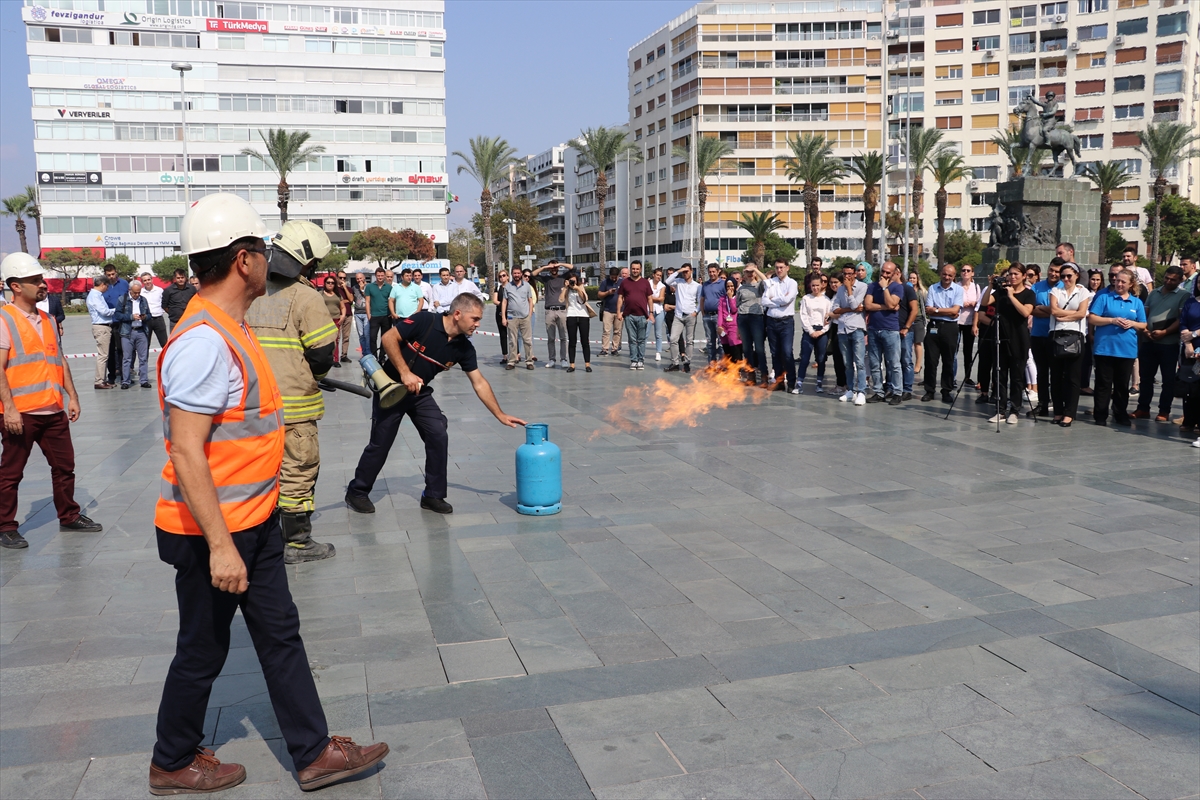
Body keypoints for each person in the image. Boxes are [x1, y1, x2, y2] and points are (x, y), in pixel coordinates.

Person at [150, 194, 387, 795]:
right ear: (243, 260)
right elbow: (185, 451)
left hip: (254, 521)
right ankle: (172, 759)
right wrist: (222, 547)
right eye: (261, 249)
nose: (268, 259)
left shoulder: (233, 326)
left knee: (280, 634)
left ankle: (312, 752)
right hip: (214, 533)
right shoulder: (204, 339)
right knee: (203, 650)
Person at [346, 295, 526, 516]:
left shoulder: (464, 348)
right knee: (381, 443)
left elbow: (479, 382)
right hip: (391, 389)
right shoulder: (425, 321)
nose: (477, 324)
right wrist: (405, 373)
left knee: (438, 434)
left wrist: (499, 414)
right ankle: (357, 491)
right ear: (458, 314)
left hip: (419, 393)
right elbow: (388, 338)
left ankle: (433, 495)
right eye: (475, 318)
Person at [245, 219, 340, 564]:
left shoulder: (250, 293)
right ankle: (298, 543)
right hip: (295, 408)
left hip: (254, 406)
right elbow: (320, 354)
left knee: (263, 472)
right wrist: (314, 373)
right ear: (309, 262)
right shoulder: (306, 297)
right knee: (298, 470)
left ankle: (264, 537)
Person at [0, 253, 103, 550]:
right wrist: (9, 409)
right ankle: (6, 526)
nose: (42, 284)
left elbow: (58, 359)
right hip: (21, 412)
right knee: (11, 472)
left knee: (64, 466)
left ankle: (68, 515)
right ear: (16, 286)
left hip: (52, 408)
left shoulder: (46, 319)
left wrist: (72, 396)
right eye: (35, 281)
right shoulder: (5, 319)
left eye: (40, 279)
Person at [1088, 268, 1147, 427]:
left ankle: (1120, 413)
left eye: (1123, 282)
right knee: (1103, 384)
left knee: (1122, 385)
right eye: (1117, 280)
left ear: (1130, 284)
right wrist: (1111, 321)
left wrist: (1133, 323)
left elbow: (1143, 324)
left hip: (1126, 350)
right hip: (1105, 348)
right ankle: (1100, 414)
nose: (1119, 284)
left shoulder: (1136, 302)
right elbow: (1092, 318)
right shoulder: (1104, 298)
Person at [980, 264, 1035, 423]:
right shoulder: (1001, 292)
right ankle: (1001, 409)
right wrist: (991, 285)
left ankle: (1015, 410)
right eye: (1010, 274)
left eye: (1016, 274)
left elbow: (1026, 312)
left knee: (1017, 377)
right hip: (1000, 337)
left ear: (1024, 276)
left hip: (1019, 338)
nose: (1012, 277)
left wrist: (1011, 296)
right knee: (1000, 375)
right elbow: (985, 303)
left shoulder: (1028, 294)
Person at [1132, 266, 1186, 422]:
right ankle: (1143, 408)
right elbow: (1145, 313)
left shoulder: (1183, 295)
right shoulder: (1154, 293)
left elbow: (1181, 319)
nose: (1168, 281)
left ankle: (1164, 410)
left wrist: (1166, 332)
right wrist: (1146, 330)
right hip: (1148, 340)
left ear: (1180, 280)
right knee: (1146, 377)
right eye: (1167, 278)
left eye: (1173, 279)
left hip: (1168, 343)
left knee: (1168, 379)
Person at [1047, 263, 1091, 427]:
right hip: (1056, 334)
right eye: (1063, 276)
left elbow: (1082, 313)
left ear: (1076, 276)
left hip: (1075, 335)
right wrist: (1073, 314)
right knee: (1056, 376)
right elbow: (1054, 310)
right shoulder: (1055, 291)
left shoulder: (1083, 292)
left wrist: (1064, 316)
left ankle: (1069, 413)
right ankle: (1058, 411)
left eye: (1069, 276)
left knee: (1073, 377)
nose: (1065, 279)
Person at [922, 264, 963, 403]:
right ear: (941, 273)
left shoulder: (958, 289)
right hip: (934, 326)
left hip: (950, 328)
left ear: (954, 276)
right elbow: (928, 309)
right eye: (945, 274)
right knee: (930, 360)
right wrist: (947, 311)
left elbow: (955, 311)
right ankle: (929, 390)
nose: (947, 277)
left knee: (949, 360)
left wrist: (937, 310)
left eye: (950, 275)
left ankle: (946, 390)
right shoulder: (933, 288)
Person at [865, 260, 904, 405]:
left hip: (890, 330)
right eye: (883, 271)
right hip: (874, 329)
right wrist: (886, 307)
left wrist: (885, 289)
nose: (884, 275)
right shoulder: (872, 286)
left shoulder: (897, 287)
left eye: (888, 272)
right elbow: (868, 305)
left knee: (894, 363)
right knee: (875, 363)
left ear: (894, 273)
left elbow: (892, 303)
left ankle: (897, 392)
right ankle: (878, 392)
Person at [1027, 259, 1063, 417]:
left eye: (1057, 271)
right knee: (1041, 372)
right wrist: (1053, 311)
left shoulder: (1065, 287)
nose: (1054, 274)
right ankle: (1042, 404)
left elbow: (1063, 310)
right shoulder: (1037, 287)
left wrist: (1047, 309)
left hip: (1057, 335)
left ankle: (1058, 405)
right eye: (1052, 270)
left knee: (1057, 373)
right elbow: (1032, 310)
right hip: (1038, 334)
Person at [832, 263, 868, 405]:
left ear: (854, 274)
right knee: (847, 363)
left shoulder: (862, 287)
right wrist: (849, 309)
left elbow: (855, 305)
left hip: (857, 328)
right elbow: (835, 309)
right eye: (845, 273)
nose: (847, 276)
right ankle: (850, 390)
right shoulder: (840, 289)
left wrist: (849, 289)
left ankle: (861, 391)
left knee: (859, 362)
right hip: (842, 328)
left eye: (850, 273)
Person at [762, 258, 799, 393]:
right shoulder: (771, 282)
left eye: (782, 267)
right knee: (775, 353)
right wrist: (778, 301)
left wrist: (774, 300)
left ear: (787, 268)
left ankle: (791, 381)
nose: (779, 270)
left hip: (786, 322)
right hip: (772, 321)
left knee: (787, 352)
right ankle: (779, 381)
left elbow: (787, 300)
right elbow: (764, 300)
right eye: (777, 267)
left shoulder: (792, 283)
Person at [797, 272, 832, 393]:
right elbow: (803, 315)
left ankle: (819, 382)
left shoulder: (827, 300)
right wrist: (811, 331)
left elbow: (829, 318)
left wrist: (822, 331)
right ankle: (799, 382)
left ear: (822, 285)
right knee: (805, 358)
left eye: (817, 285)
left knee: (821, 358)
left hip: (822, 332)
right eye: (813, 286)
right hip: (809, 331)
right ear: (810, 286)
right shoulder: (806, 299)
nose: (815, 288)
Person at [114, 279, 152, 389]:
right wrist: (131, 317)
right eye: (135, 292)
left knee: (143, 358)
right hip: (127, 332)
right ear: (130, 290)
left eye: (139, 292)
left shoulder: (143, 300)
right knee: (127, 358)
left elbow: (150, 315)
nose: (137, 294)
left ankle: (144, 380)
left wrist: (145, 317)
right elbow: (117, 315)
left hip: (141, 331)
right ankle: (125, 381)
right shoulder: (122, 300)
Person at [530, 260, 569, 367]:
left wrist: (560, 264)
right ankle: (552, 359)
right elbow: (532, 275)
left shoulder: (563, 277)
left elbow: (573, 268)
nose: (554, 270)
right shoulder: (546, 279)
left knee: (563, 337)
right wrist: (545, 267)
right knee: (551, 337)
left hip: (561, 310)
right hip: (549, 310)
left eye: (555, 268)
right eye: (552, 268)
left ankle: (564, 359)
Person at [617, 259, 654, 370]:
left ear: (640, 269)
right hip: (629, 316)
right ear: (630, 269)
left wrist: (651, 313)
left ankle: (640, 360)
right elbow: (620, 298)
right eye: (633, 268)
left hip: (642, 316)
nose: (635, 270)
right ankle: (633, 360)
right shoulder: (625, 282)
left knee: (641, 339)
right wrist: (619, 312)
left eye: (637, 269)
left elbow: (649, 298)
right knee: (632, 339)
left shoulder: (645, 282)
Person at [665, 264, 701, 373]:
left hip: (690, 315)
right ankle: (675, 362)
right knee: (673, 339)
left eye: (687, 271)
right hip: (679, 315)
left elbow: (700, 300)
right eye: (684, 272)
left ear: (691, 271)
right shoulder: (678, 282)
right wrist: (679, 270)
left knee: (689, 341)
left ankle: (687, 362)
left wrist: (696, 312)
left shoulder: (697, 286)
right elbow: (667, 281)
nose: (685, 273)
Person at [736, 263, 766, 386]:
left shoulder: (759, 285)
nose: (750, 273)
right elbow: (738, 304)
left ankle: (764, 375)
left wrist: (755, 269)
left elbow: (766, 281)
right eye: (747, 271)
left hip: (756, 317)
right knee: (747, 349)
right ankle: (751, 375)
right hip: (743, 317)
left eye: (751, 271)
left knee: (759, 348)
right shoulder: (741, 288)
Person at [1178, 279, 1200, 441]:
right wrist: (1187, 344)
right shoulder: (1190, 302)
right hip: (1189, 350)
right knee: (1189, 386)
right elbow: (1183, 322)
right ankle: (1189, 420)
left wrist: (1194, 334)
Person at [501, 268, 535, 370]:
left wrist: (529, 315)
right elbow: (504, 302)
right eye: (515, 273)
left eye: (518, 273)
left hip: (525, 317)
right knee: (512, 340)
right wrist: (504, 317)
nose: (516, 275)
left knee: (527, 340)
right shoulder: (508, 286)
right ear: (511, 274)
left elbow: (530, 300)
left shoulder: (527, 286)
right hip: (512, 317)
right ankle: (511, 361)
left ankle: (529, 361)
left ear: (521, 274)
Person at [101, 263, 130, 385]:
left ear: (116, 272)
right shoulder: (102, 286)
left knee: (123, 350)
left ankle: (125, 375)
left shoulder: (124, 284)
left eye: (113, 274)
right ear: (105, 275)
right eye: (109, 275)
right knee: (110, 350)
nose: (111, 276)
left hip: (122, 322)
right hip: (108, 323)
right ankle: (111, 375)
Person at [87, 277, 115, 390]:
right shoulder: (95, 296)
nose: (107, 289)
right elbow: (104, 311)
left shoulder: (97, 295)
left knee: (104, 355)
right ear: (103, 284)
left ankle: (102, 379)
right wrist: (116, 310)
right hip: (101, 326)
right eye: (107, 286)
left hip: (103, 326)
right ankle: (99, 381)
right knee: (103, 355)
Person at [562, 271, 593, 373]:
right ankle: (572, 365)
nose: (572, 282)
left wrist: (577, 288)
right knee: (572, 341)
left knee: (585, 341)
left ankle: (587, 364)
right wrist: (566, 288)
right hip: (571, 315)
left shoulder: (580, 286)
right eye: (570, 280)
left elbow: (585, 298)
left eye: (574, 280)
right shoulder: (566, 289)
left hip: (583, 315)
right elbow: (561, 299)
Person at [821, 272, 847, 393]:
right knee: (837, 358)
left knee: (842, 358)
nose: (833, 285)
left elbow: (841, 312)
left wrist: (831, 315)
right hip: (833, 328)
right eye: (831, 282)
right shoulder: (831, 295)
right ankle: (841, 383)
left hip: (843, 328)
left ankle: (844, 384)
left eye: (836, 282)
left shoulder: (843, 295)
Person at [1080, 269, 1104, 395]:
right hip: (1085, 329)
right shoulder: (1084, 293)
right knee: (1086, 359)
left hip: (1099, 329)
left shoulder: (1102, 294)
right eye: (1093, 279)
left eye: (1098, 280)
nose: (1095, 282)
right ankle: (1084, 384)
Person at [957, 265, 980, 385]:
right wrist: (961, 303)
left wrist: (973, 303)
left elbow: (979, 304)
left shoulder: (976, 287)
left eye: (968, 270)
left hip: (969, 321)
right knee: (953, 350)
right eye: (963, 270)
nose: (965, 272)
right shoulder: (956, 286)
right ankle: (952, 376)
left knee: (968, 350)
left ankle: (967, 376)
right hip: (957, 321)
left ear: (972, 273)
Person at [700, 263, 726, 363]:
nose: (711, 274)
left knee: (721, 342)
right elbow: (702, 299)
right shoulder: (705, 284)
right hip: (707, 316)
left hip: (719, 316)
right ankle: (712, 364)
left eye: (713, 272)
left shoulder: (723, 283)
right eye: (710, 272)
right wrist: (703, 314)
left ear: (718, 271)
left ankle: (722, 364)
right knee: (710, 342)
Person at [364, 267, 392, 357]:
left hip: (386, 316)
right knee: (372, 337)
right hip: (374, 316)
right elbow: (367, 302)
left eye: (382, 275)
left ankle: (382, 356)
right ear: (375, 276)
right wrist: (368, 315)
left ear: (384, 276)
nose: (380, 277)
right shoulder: (369, 287)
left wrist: (392, 312)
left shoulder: (389, 287)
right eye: (378, 275)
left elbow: (391, 301)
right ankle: (374, 355)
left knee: (384, 338)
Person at [136, 273, 169, 348]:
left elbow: (165, 303)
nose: (147, 282)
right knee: (145, 344)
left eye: (148, 279)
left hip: (158, 319)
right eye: (145, 280)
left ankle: (166, 359)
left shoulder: (159, 290)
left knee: (164, 343)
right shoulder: (140, 292)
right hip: (146, 320)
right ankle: (144, 360)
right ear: (142, 282)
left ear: (152, 279)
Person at [162, 268, 197, 333]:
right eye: (178, 278)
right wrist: (173, 313)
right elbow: (164, 305)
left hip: (189, 321)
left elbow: (196, 302)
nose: (180, 279)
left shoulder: (192, 289)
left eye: (182, 277)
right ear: (175, 278)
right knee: (175, 342)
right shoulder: (168, 290)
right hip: (175, 322)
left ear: (185, 277)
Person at [598, 266, 623, 356]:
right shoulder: (605, 282)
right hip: (607, 310)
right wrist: (608, 292)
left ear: (618, 275)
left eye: (615, 277)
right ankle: (605, 349)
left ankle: (614, 349)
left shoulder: (622, 282)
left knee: (617, 331)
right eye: (611, 276)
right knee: (606, 331)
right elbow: (599, 294)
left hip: (619, 311)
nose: (613, 278)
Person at [321, 276, 346, 366]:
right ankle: (325, 359)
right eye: (328, 282)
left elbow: (342, 307)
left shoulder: (338, 295)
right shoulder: (320, 294)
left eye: (332, 283)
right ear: (325, 283)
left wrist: (343, 316)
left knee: (335, 340)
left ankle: (335, 360)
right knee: (324, 340)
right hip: (324, 320)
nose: (330, 284)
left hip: (336, 319)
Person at [907, 270, 928, 379]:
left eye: (914, 278)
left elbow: (925, 305)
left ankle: (918, 365)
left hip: (919, 318)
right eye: (910, 278)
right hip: (908, 319)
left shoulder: (921, 292)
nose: (912, 280)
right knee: (908, 343)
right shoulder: (906, 289)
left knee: (917, 343)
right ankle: (908, 364)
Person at [717, 277, 742, 363]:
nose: (730, 288)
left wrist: (730, 298)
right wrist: (719, 326)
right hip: (724, 327)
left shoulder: (737, 297)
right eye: (728, 286)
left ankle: (737, 370)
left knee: (735, 348)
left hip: (734, 326)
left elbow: (734, 310)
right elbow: (720, 312)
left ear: (735, 286)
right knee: (726, 349)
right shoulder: (722, 299)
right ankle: (730, 370)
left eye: (732, 286)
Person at [333, 271, 354, 364]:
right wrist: (344, 301)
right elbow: (336, 301)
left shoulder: (348, 289)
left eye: (344, 278)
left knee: (346, 337)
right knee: (336, 337)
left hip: (348, 315)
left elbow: (351, 299)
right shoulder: (333, 289)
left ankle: (344, 355)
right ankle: (334, 356)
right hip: (337, 315)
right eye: (340, 278)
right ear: (337, 277)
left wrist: (345, 287)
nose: (342, 280)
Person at [351, 271, 370, 357]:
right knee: (361, 335)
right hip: (358, 313)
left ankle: (369, 352)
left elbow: (368, 298)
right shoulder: (354, 288)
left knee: (367, 334)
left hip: (367, 313)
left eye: (360, 278)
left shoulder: (369, 286)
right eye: (357, 279)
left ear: (364, 278)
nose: (359, 280)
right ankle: (364, 353)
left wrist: (362, 289)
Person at [650, 268, 666, 360]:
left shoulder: (662, 286)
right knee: (645, 333)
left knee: (658, 333)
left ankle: (658, 352)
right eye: (657, 275)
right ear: (653, 275)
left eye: (660, 275)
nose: (659, 277)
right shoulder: (648, 283)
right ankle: (642, 353)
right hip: (649, 310)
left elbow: (661, 299)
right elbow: (645, 296)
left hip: (659, 311)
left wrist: (650, 298)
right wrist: (655, 298)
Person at [494, 270, 510, 363]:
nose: (502, 278)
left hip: (511, 313)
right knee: (503, 335)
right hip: (499, 313)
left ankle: (516, 354)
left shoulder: (512, 287)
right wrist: (503, 304)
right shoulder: (498, 287)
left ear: (508, 276)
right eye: (500, 276)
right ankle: (505, 356)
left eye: (504, 275)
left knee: (513, 335)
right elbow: (495, 300)